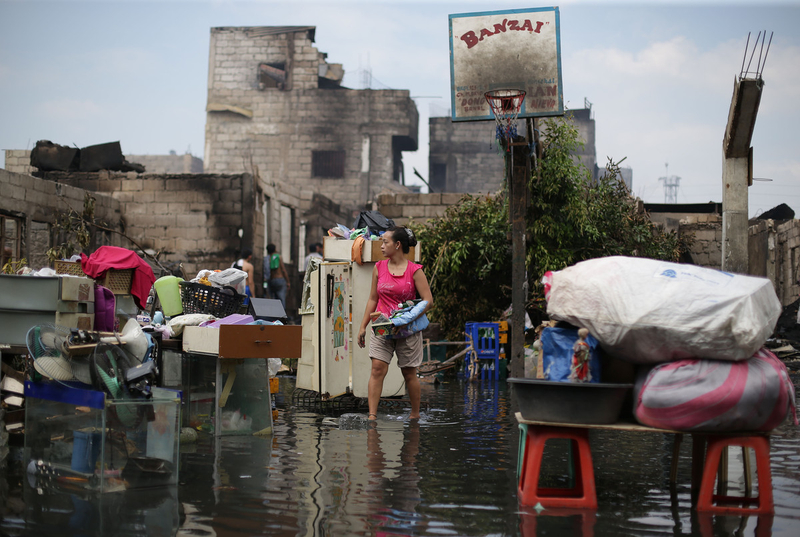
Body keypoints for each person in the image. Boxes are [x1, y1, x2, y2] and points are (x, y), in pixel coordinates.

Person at [357, 225, 432, 421]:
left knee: (409, 373)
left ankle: (414, 415)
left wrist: (405, 320)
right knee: (377, 369)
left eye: (385, 242)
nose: (381, 246)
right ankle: (372, 416)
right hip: (382, 328)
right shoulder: (379, 268)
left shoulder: (415, 271)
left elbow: (428, 301)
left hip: (408, 331)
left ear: (397, 245)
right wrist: (363, 326)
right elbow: (373, 299)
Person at [266, 243, 290, 309]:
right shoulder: (278, 257)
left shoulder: (268, 259)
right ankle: (282, 317)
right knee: (281, 299)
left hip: (272, 280)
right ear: (275, 249)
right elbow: (283, 270)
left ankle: (274, 315)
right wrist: (288, 281)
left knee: (274, 299)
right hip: (280, 279)